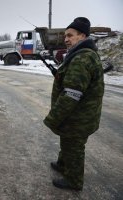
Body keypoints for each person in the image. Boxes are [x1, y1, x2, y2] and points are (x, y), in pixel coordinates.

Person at [43, 17, 104, 190]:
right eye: (65, 36)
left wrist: (53, 118)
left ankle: (74, 181)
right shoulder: (83, 54)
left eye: (70, 35)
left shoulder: (81, 59)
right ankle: (63, 165)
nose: (66, 39)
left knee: (74, 147)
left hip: (78, 117)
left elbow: (72, 95)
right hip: (80, 115)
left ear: (82, 36)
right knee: (67, 140)